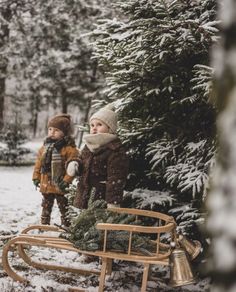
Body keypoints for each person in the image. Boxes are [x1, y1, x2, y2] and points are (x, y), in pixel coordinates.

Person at [68, 104, 129, 210]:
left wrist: (113, 202)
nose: (94, 128)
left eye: (99, 124)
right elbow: (81, 159)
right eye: (92, 125)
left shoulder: (115, 150)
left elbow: (115, 179)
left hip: (101, 200)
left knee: (98, 225)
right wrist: (75, 163)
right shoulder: (89, 145)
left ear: (110, 129)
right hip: (84, 196)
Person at [32, 113, 80, 226]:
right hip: (46, 184)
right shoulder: (44, 148)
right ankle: (44, 224)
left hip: (60, 184)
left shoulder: (70, 149)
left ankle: (66, 225)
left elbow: (72, 168)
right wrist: (36, 177)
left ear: (65, 133)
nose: (52, 132)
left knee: (64, 206)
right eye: (50, 129)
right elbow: (38, 164)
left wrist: (66, 181)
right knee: (46, 205)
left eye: (56, 130)